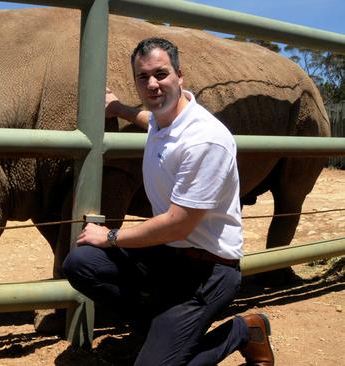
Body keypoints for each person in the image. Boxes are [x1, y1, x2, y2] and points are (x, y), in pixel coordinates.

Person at [63, 38, 274, 365]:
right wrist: (118, 107)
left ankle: (243, 330)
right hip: (169, 258)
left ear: (180, 75)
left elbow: (178, 224)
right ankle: (158, 328)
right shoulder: (164, 121)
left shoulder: (205, 140)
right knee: (81, 263)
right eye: (143, 77)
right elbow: (148, 121)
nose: (152, 84)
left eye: (160, 74)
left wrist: (111, 236)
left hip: (209, 271)